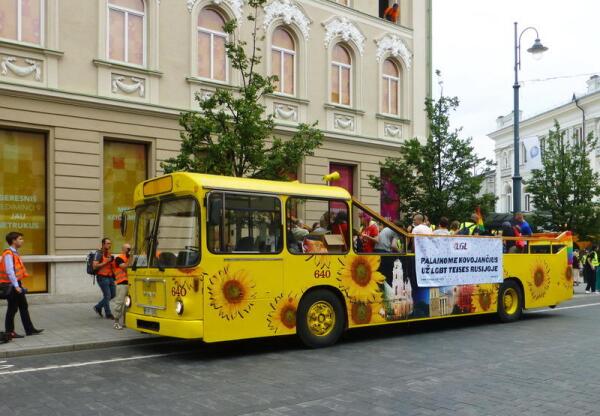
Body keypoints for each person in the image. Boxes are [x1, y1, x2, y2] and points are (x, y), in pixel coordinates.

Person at [0, 232, 43, 340]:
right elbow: (10, 271)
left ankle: (29, 329)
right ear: (14, 241)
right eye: (20, 239)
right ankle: (10, 332)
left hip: (16, 284)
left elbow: (16, 271)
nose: (22, 241)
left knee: (23, 306)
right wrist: (16, 286)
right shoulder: (8, 253)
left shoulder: (14, 253)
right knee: (12, 308)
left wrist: (20, 284)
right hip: (11, 285)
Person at [93, 238, 116, 319]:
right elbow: (95, 265)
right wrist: (106, 261)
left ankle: (98, 307)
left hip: (110, 277)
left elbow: (112, 265)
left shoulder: (109, 254)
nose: (109, 245)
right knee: (107, 295)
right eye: (108, 243)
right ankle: (108, 313)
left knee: (113, 294)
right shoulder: (98, 253)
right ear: (103, 244)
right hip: (102, 277)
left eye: (110, 243)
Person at [112, 243, 132, 330]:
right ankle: (116, 322)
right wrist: (131, 259)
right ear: (123, 249)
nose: (129, 251)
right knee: (119, 303)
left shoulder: (130, 258)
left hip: (130, 284)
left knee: (127, 304)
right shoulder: (119, 258)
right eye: (128, 249)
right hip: (121, 283)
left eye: (130, 249)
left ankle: (125, 322)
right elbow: (124, 267)